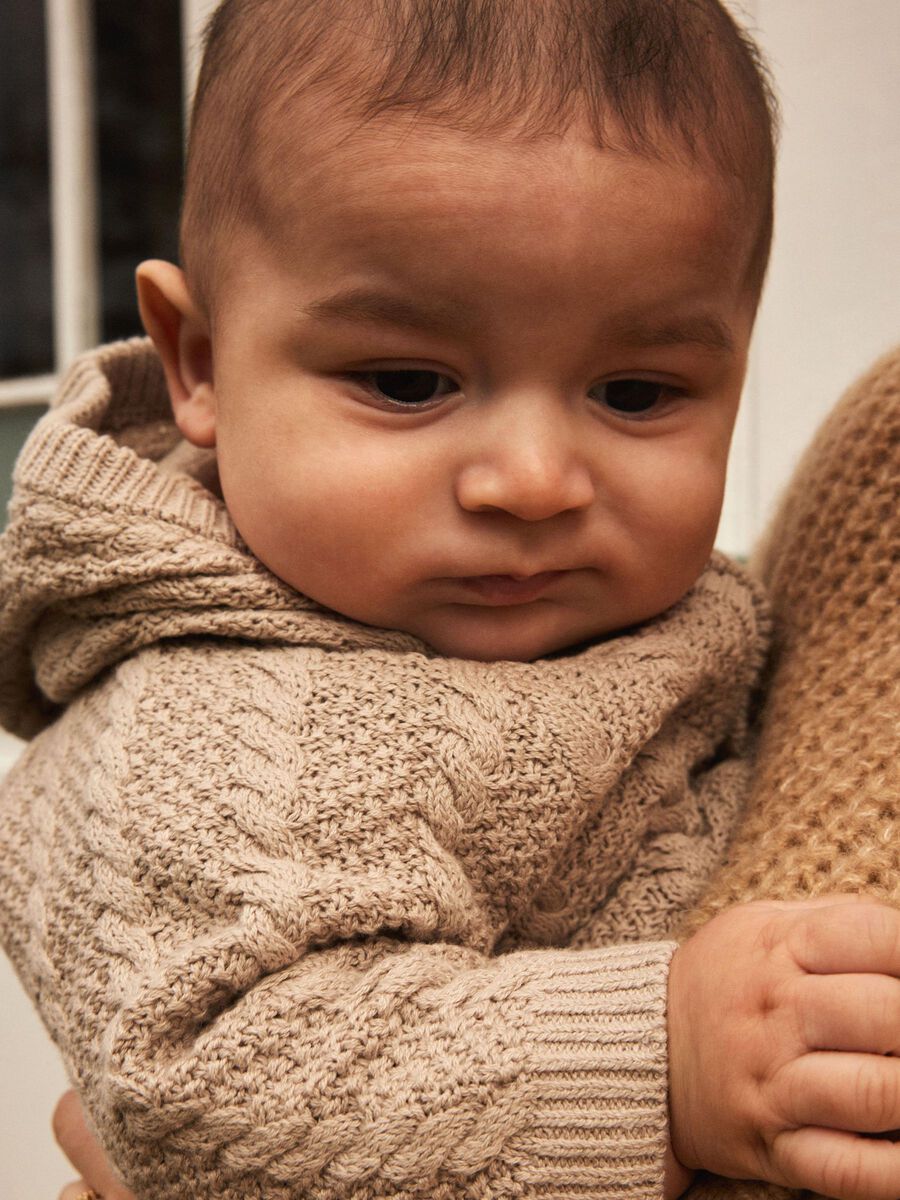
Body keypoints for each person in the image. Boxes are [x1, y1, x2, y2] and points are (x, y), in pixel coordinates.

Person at [0, 2, 898, 1198]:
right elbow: (205, 1089)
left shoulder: (695, 616)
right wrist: (662, 1056)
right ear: (199, 363)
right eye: (409, 381)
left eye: (635, 393)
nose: (533, 482)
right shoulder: (196, 725)